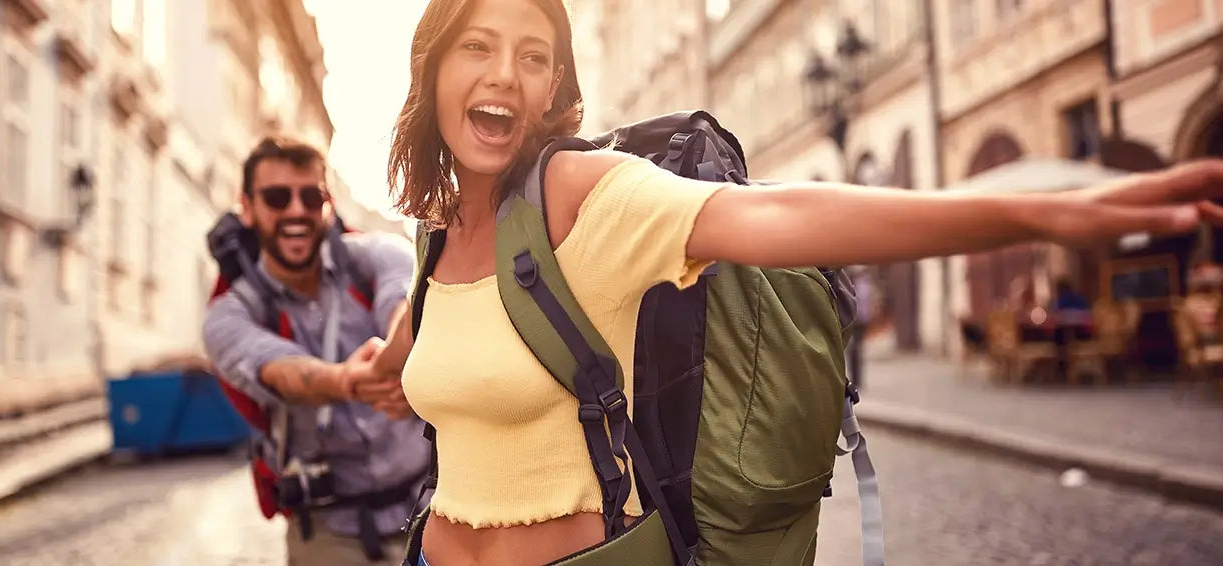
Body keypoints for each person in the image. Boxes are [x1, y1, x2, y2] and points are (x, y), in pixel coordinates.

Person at [362, 1, 1223, 564]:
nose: (505, 72)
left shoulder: (579, 195)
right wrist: (382, 371)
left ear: (554, 88)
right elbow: (421, 349)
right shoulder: (437, 237)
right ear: (432, 67)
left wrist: (1044, 215)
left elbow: (777, 218)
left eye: (534, 55)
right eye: (477, 46)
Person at [201, 137, 428, 566]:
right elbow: (280, 372)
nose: (295, 211)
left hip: (429, 511)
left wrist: (394, 360)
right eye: (276, 198)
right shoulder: (227, 317)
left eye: (311, 196)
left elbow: (405, 306)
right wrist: (353, 382)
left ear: (329, 204)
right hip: (327, 533)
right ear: (246, 208)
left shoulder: (377, 253)